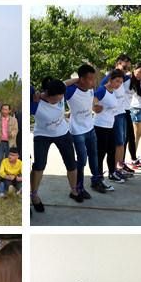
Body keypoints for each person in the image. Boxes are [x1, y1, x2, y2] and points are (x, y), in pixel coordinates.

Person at [31, 79, 81, 212]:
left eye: (60, 99)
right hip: (42, 136)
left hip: (63, 133)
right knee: (39, 166)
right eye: (55, 100)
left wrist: (79, 78)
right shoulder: (35, 104)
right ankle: (34, 195)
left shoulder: (59, 89)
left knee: (71, 164)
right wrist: (34, 92)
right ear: (47, 94)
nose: (59, 101)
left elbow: (67, 82)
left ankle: (74, 190)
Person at [65, 64, 106, 195]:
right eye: (90, 79)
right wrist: (75, 80)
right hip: (77, 132)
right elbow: (57, 86)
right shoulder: (71, 90)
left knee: (94, 156)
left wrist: (95, 108)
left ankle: (96, 180)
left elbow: (90, 104)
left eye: (94, 79)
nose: (93, 82)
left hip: (90, 129)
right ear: (81, 79)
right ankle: (78, 187)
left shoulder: (90, 90)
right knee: (82, 160)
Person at [93, 68, 125, 187]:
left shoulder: (112, 91)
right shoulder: (102, 90)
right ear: (110, 80)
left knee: (111, 151)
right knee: (101, 153)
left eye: (120, 82)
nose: (119, 84)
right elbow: (94, 100)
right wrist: (95, 106)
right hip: (100, 126)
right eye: (117, 81)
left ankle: (112, 173)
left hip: (110, 125)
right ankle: (99, 177)